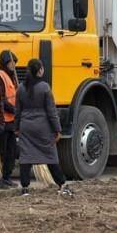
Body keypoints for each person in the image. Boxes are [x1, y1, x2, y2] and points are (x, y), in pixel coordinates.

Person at [15, 59, 71, 196]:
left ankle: (25, 188)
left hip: (26, 126)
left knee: (26, 157)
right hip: (42, 127)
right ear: (40, 70)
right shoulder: (45, 87)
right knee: (50, 156)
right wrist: (57, 129)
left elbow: (18, 111)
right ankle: (61, 184)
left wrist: (17, 127)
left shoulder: (21, 87)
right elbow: (51, 111)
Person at [0, 50, 19, 187]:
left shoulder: (12, 77)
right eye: (11, 62)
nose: (13, 65)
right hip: (3, 120)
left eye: (14, 62)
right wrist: (14, 110)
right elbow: (1, 98)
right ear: (5, 63)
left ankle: (7, 176)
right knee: (1, 151)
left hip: (11, 121)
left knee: (11, 151)